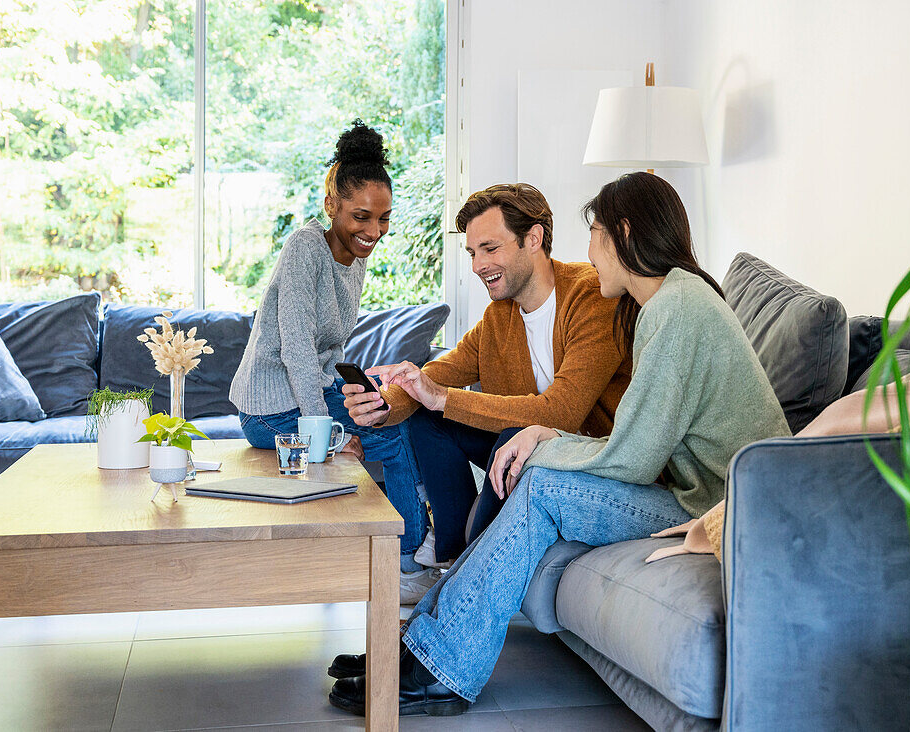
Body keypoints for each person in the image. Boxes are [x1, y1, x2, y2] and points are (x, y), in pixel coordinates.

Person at [327, 172, 791, 716]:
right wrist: (394, 398)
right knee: (529, 468)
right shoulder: (669, 304)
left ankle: (438, 665)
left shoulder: (671, 310)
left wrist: (542, 440)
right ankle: (422, 647)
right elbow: (442, 376)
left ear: (621, 233)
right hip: (701, 494)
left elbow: (635, 455)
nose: (590, 250)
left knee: (541, 482)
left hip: (717, 506)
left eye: (594, 231)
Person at [341, 183, 632, 570]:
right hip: (525, 447)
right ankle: (449, 554)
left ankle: (469, 567)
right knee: (428, 417)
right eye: (473, 253)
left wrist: (442, 397)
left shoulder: (593, 295)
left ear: (533, 238)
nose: (478, 266)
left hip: (589, 456)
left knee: (510, 434)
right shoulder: (500, 316)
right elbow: (435, 375)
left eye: (490, 249)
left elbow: (561, 412)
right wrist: (382, 405)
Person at [228, 120, 430, 593]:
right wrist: (327, 433)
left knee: (393, 407)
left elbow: (329, 349)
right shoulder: (305, 246)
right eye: (361, 216)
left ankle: (413, 540)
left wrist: (354, 388)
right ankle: (409, 557)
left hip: (310, 393)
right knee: (389, 429)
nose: (373, 231)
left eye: (383, 218)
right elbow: (297, 348)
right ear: (331, 205)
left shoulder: (355, 260)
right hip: (270, 409)